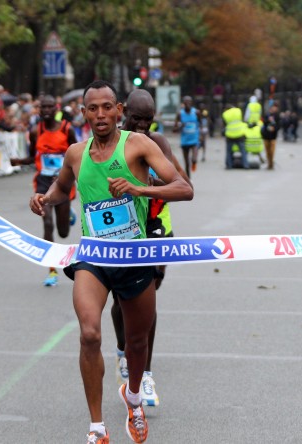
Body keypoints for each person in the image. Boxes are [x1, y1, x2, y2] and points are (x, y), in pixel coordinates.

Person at [29, 80, 193, 444]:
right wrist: (46, 198)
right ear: (84, 113)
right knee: (89, 333)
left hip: (135, 257)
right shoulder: (76, 152)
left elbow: (184, 188)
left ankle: (133, 398)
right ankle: (97, 427)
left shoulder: (138, 145)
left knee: (136, 342)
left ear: (118, 110)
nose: (100, 114)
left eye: (107, 107)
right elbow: (62, 187)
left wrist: (140, 189)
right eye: (93, 108)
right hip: (94, 258)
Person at [111, 89, 191, 409]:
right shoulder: (110, 144)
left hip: (157, 225)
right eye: (136, 119)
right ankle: (123, 349)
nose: (142, 126)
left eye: (148, 120)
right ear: (123, 113)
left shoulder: (158, 144)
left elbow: (180, 186)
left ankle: (143, 372)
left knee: (148, 299)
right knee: (122, 299)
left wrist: (143, 185)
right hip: (123, 228)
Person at [11, 95, 78, 286]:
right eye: (43, 107)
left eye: (50, 107)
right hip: (42, 184)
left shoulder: (67, 129)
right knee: (48, 223)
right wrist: (18, 162)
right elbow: (33, 156)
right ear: (39, 109)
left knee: (63, 232)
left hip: (63, 184)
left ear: (56, 108)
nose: (46, 110)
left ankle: (68, 211)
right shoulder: (35, 131)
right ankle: (52, 270)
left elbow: (78, 155)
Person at [173, 95, 200, 177]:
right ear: (183, 103)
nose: (188, 103)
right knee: (186, 163)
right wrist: (181, 126)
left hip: (194, 139)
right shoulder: (180, 114)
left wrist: (202, 135)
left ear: (191, 103)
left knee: (194, 159)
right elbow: (174, 129)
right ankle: (189, 178)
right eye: (186, 102)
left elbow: (201, 124)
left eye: (189, 102)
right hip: (184, 140)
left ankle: (194, 163)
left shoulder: (196, 112)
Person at [222, 103, 248, 169]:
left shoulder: (225, 114)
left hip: (230, 135)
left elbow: (224, 125)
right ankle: (245, 165)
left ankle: (229, 166)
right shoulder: (238, 110)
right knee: (243, 151)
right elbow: (242, 120)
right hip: (239, 134)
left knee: (229, 151)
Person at [261, 103, 280, 169]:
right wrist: (268, 120)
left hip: (273, 136)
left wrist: (274, 128)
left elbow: (279, 125)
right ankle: (269, 163)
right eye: (274, 107)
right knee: (267, 151)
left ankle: (271, 163)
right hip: (266, 135)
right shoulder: (267, 115)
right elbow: (264, 123)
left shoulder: (277, 116)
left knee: (272, 151)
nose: (275, 109)